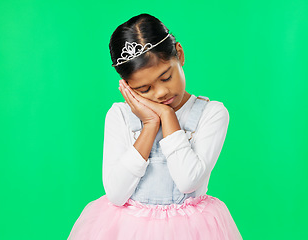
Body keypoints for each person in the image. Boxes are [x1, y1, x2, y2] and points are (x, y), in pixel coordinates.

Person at [67, 13, 242, 240]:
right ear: (128, 87)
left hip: (190, 231)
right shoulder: (120, 115)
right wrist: (150, 124)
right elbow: (117, 194)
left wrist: (168, 116)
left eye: (166, 77)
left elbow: (188, 181)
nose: (161, 93)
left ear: (179, 54)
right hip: (126, 230)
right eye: (144, 89)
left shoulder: (211, 114)